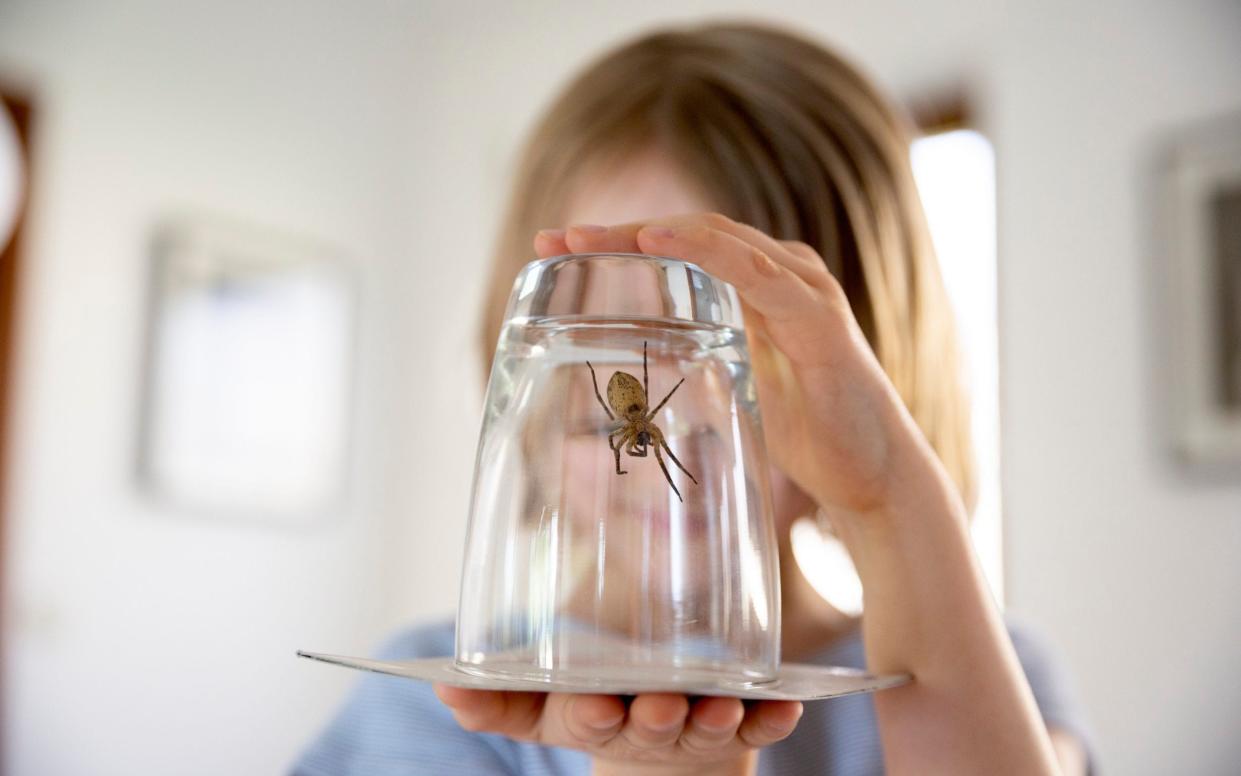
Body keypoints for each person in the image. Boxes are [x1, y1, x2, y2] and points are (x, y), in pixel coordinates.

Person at [292, 20, 1093, 776]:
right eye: (601, 414)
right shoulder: (438, 708)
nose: (689, 440)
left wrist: (890, 499)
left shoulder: (978, 669)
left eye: (750, 379)